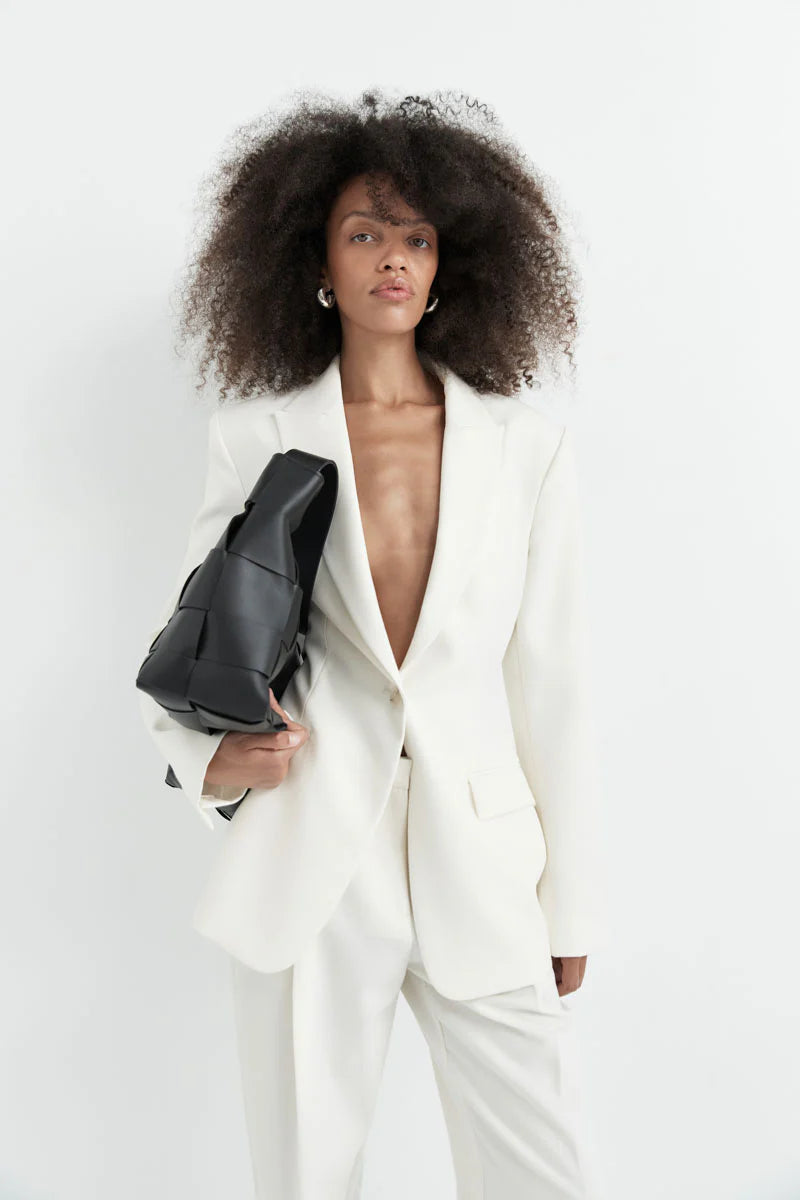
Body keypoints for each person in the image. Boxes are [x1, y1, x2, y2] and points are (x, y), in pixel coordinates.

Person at [137, 89, 604, 1199]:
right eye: (363, 234)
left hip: (481, 862)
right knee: (306, 1175)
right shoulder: (254, 437)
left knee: (540, 1172)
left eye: (416, 238)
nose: (392, 258)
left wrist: (571, 901)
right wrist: (211, 760)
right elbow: (193, 638)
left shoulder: (524, 448)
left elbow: (553, 683)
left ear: (448, 267)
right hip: (311, 848)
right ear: (317, 262)